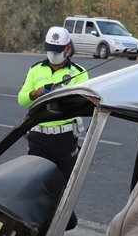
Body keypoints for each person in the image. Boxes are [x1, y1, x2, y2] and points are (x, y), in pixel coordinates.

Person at [17, 26, 89, 175]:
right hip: (38, 138)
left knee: (64, 184)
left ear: (67, 48)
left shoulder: (79, 72)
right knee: (34, 182)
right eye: (50, 49)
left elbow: (85, 104)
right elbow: (21, 99)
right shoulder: (35, 69)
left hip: (65, 138)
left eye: (57, 50)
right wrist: (34, 93)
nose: (53, 54)